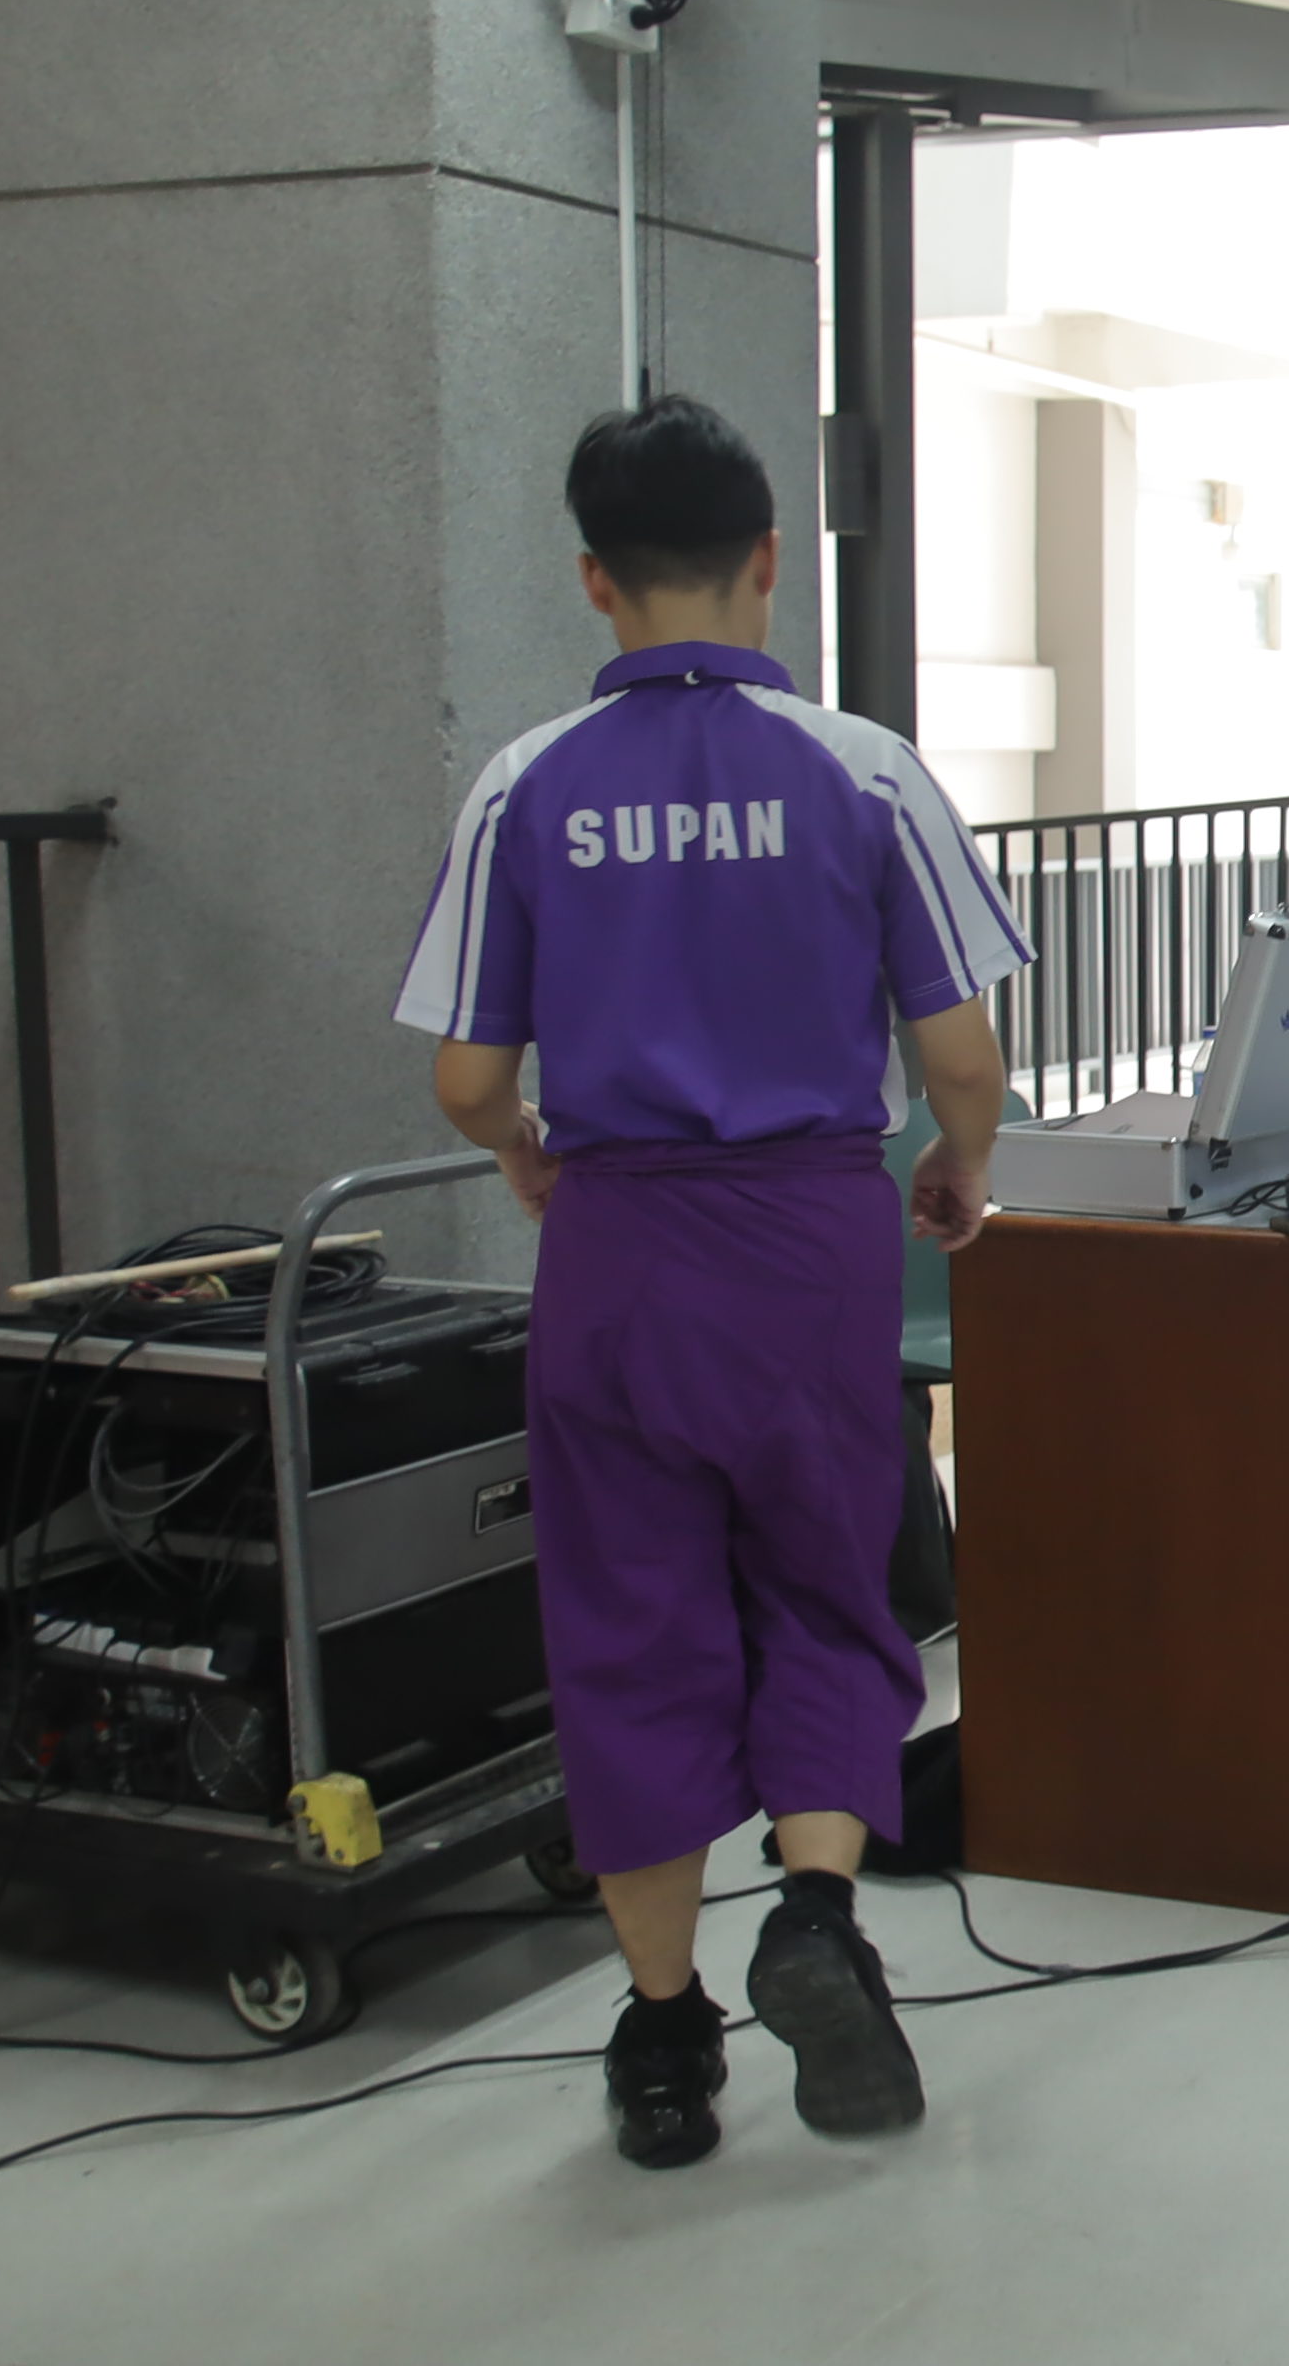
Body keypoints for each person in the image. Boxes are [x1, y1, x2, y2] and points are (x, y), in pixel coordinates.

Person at [393, 397, 1031, 2168]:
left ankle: (667, 2040)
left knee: (629, 1622)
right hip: (811, 1240)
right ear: (768, 559)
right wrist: (959, 1162)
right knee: (826, 1589)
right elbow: (961, 1052)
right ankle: (816, 1914)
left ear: (594, 580)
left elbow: (465, 1077)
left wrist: (526, 1153)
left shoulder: (526, 782)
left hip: (617, 1248)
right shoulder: (864, 769)